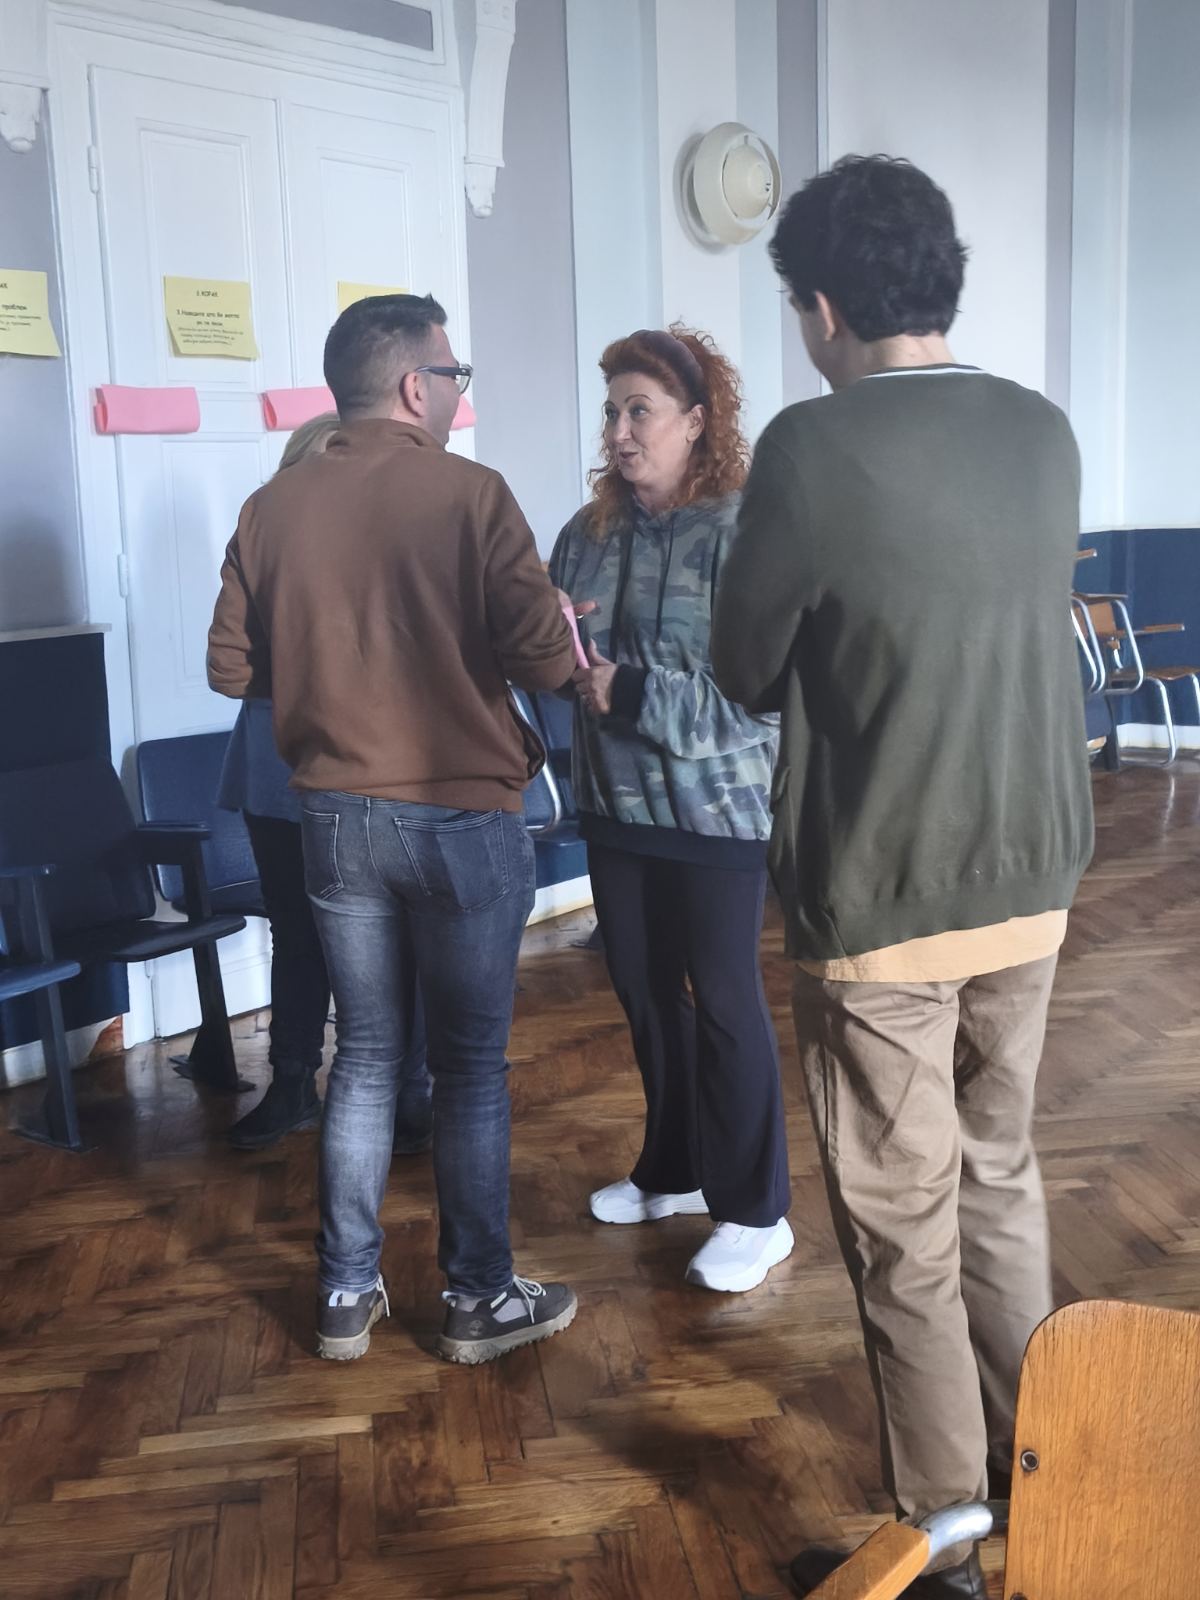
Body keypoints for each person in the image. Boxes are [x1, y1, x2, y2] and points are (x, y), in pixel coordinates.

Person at [711, 157, 1094, 1599]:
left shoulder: (812, 447)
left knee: (903, 1225)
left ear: (820, 308)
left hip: (885, 887)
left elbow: (746, 666)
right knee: (1000, 1175)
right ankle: (1046, 1486)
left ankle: (945, 1536)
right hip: (1033, 869)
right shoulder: (1042, 429)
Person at [208, 293, 580, 1365]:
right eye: (454, 373)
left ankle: (342, 1293)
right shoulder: (473, 493)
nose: (459, 391)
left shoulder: (271, 507)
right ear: (418, 385)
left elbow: (229, 669)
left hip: (333, 819)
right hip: (462, 816)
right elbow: (544, 663)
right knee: (467, 1067)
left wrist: (328, 675)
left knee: (364, 1054)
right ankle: (478, 1297)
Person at [549, 326, 792, 1294]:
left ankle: (757, 1211)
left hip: (718, 811)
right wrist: (549, 655)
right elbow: (562, 659)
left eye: (639, 410)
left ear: (696, 421)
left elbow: (765, 694)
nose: (619, 430)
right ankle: (674, 1168)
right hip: (616, 804)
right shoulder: (586, 535)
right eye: (611, 410)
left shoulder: (745, 532)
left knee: (725, 1000)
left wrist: (636, 692)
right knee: (645, 994)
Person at [216, 412, 433, 1154]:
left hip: (360, 767)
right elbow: (232, 663)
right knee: (296, 931)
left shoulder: (383, 540)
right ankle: (290, 1083)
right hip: (275, 769)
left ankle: (408, 1088)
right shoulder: (265, 537)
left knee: (392, 933)